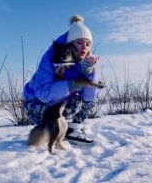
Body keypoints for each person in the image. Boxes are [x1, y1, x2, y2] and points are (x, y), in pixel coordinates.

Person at [23, 15, 100, 144]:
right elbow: (44, 94)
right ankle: (50, 129)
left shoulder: (86, 60)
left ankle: (72, 130)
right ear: (70, 43)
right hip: (35, 103)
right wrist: (72, 85)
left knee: (88, 99)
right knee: (62, 108)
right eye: (79, 42)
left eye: (88, 44)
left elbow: (89, 97)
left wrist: (88, 71)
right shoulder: (51, 56)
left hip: (59, 101)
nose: (84, 47)